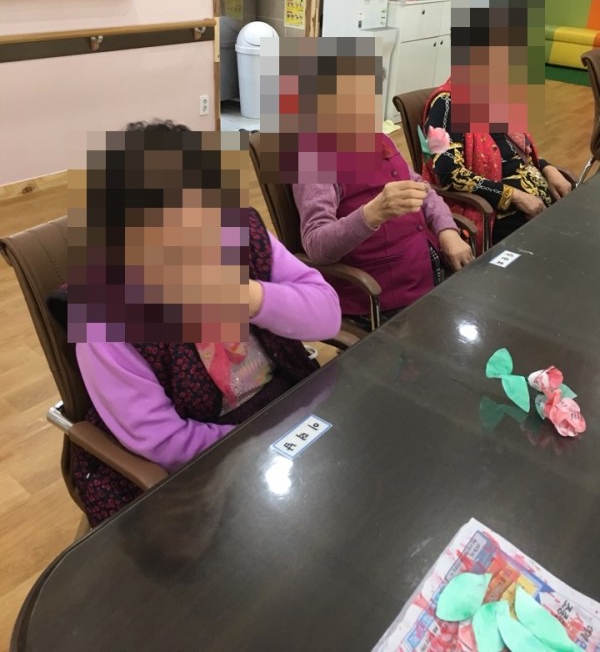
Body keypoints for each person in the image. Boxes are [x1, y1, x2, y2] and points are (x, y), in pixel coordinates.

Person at [62, 120, 342, 527]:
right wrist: (268, 441)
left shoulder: (243, 235)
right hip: (204, 464)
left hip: (286, 414)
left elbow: (327, 313)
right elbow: (165, 442)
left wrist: (253, 297)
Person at [293, 131, 474, 330]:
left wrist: (447, 230)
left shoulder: (378, 138)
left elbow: (421, 188)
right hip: (383, 297)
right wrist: (372, 213)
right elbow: (316, 245)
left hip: (431, 268)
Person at [423, 79, 573, 246]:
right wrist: (515, 197)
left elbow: (515, 152)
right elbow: (449, 173)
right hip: (493, 211)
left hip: (536, 202)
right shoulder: (445, 105)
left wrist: (547, 168)